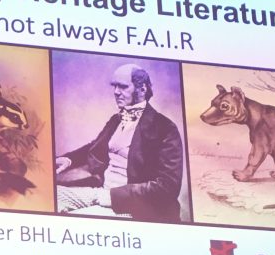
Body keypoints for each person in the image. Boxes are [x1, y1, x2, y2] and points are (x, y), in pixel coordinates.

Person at [55, 63, 184, 222]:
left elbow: (167, 186)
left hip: (133, 206)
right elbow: (95, 146)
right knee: (51, 197)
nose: (116, 92)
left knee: (74, 222)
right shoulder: (116, 120)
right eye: (114, 86)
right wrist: (69, 160)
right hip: (100, 191)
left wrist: (111, 196)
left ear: (142, 89)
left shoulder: (164, 128)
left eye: (123, 87)